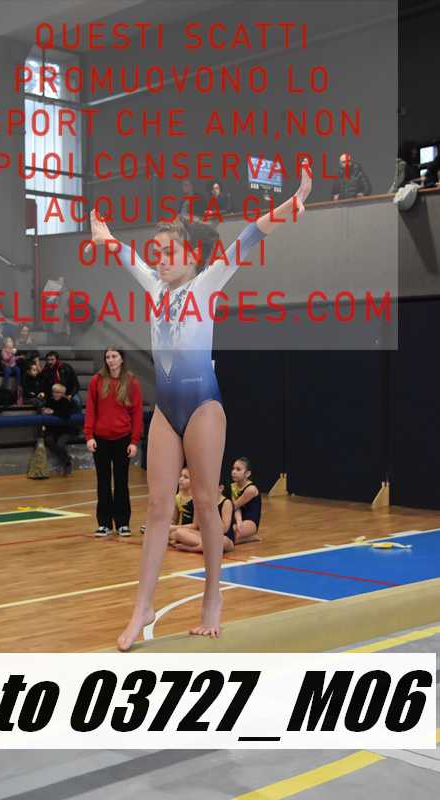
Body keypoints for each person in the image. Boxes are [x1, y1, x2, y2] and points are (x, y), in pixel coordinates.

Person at [87, 160, 312, 650]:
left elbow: (250, 236)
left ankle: (212, 598)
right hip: (168, 411)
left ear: (191, 256)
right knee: (158, 505)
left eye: (170, 253)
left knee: (207, 502)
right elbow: (130, 258)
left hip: (204, 407)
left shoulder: (207, 283)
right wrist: (106, 238)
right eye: (159, 253)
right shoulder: (155, 288)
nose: (161, 260)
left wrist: (294, 202)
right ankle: (142, 606)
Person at [85, 348, 143, 536]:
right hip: (100, 439)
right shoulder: (96, 380)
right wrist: (89, 436)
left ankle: (123, 523)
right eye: (108, 357)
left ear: (121, 359)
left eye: (114, 356)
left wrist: (134, 441)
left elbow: (137, 413)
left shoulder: (132, 382)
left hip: (123, 439)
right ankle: (104, 523)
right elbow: (90, 409)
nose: (111, 360)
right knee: (103, 482)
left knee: (121, 482)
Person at [170, 485, 235, 554]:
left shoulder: (226, 502)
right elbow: (197, 525)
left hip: (221, 537)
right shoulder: (201, 502)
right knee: (179, 532)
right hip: (205, 536)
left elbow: (224, 529)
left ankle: (191, 548)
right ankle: (205, 547)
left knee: (224, 541)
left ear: (220, 488)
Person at [41, 383, 80, 476]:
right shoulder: (50, 401)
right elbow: (45, 409)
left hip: (67, 430)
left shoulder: (66, 402)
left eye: (58, 392)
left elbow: (65, 414)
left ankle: (67, 462)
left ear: (63, 394)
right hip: (53, 429)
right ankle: (65, 459)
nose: (56, 394)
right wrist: (44, 410)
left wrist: (53, 412)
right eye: (54, 392)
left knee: (60, 444)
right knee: (49, 440)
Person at [228, 457, 262, 544]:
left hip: (250, 522)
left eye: (238, 469)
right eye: (233, 469)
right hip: (237, 520)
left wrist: (239, 524)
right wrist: (238, 522)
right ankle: (248, 537)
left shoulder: (251, 489)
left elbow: (234, 506)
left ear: (247, 474)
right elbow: (236, 508)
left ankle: (251, 536)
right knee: (223, 535)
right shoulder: (232, 487)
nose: (233, 472)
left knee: (228, 538)